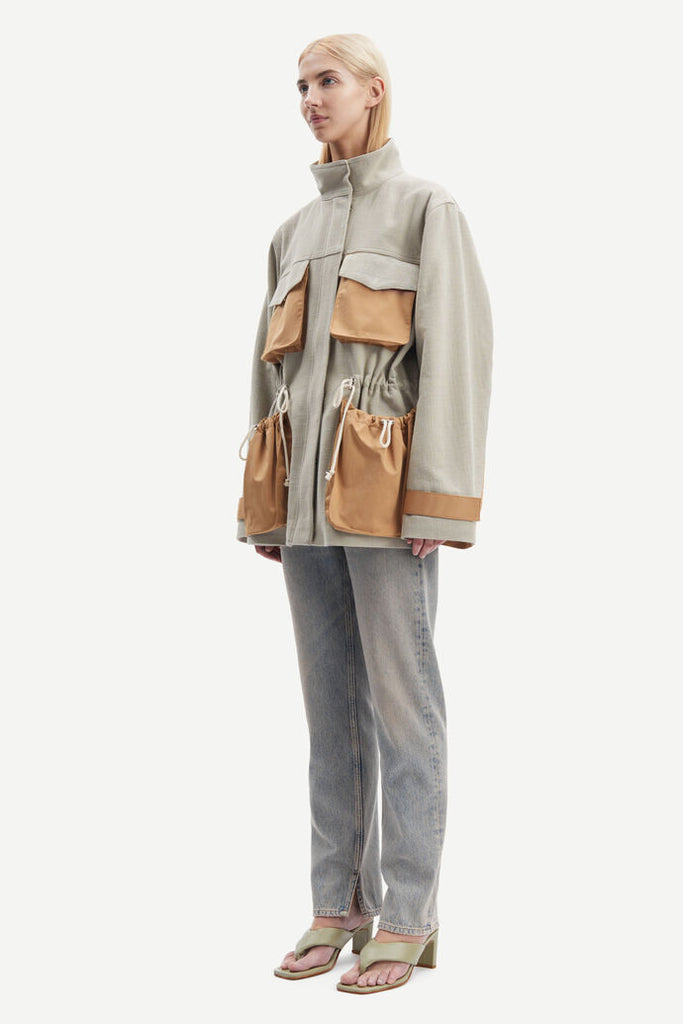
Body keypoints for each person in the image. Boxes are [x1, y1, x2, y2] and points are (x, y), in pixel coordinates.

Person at [237, 33, 494, 995]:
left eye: (327, 80)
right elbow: (266, 379)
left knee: (403, 710)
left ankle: (409, 916)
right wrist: (264, 503)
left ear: (373, 90)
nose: (310, 98)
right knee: (328, 717)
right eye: (301, 85)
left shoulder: (428, 210)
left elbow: (457, 355)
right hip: (303, 510)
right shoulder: (289, 234)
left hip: (387, 507)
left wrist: (439, 500)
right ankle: (336, 907)